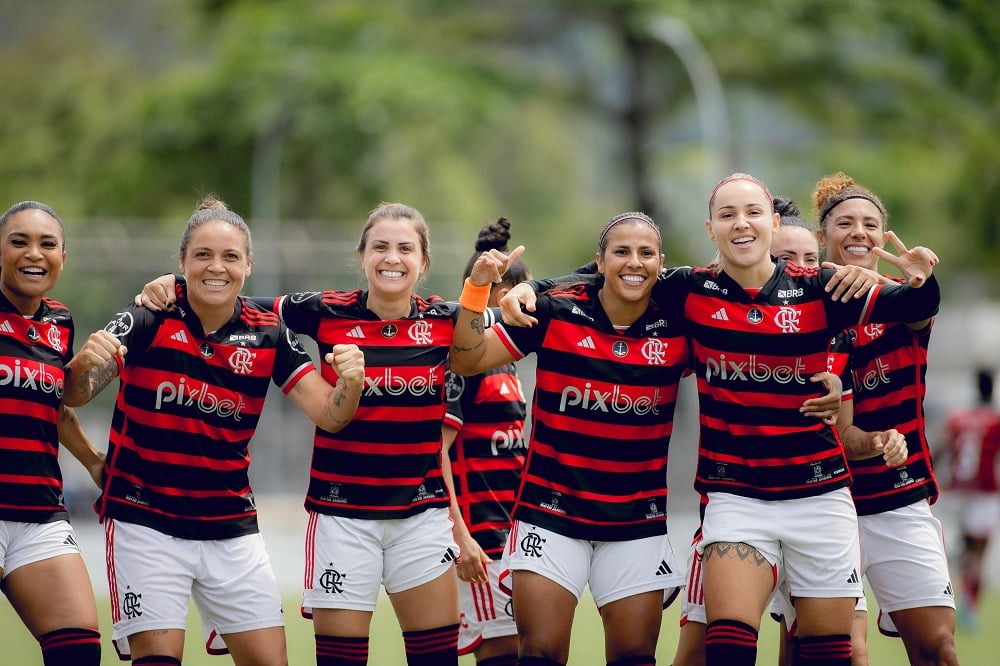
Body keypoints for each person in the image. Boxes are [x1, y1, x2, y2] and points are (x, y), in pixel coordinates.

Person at [501, 173, 941, 666]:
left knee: (830, 654)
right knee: (727, 644)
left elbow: (915, 306)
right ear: (711, 228)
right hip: (736, 497)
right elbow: (617, 269)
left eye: (753, 213)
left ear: (773, 225)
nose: (741, 224)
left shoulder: (820, 288)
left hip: (821, 496)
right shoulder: (691, 288)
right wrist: (532, 289)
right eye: (727, 215)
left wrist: (920, 278)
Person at [137, 202, 485, 665]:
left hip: (421, 517)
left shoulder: (446, 319)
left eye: (406, 248)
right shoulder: (323, 310)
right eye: (380, 246)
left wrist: (505, 298)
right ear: (362, 255)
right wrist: (173, 287)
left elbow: (486, 346)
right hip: (341, 514)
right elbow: (234, 303)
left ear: (423, 262)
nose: (392, 257)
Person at [63, 196, 365, 666]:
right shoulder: (148, 314)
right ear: (182, 262)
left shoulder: (269, 333)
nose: (215, 267)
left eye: (229, 256)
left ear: (248, 265)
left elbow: (329, 414)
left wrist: (351, 381)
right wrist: (83, 363)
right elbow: (76, 393)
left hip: (230, 528)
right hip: (145, 523)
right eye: (202, 255)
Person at [452, 211, 693, 666]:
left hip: (634, 522)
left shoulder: (680, 323)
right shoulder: (557, 311)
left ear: (661, 263)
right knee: (539, 654)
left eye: (646, 253)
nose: (633, 263)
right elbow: (467, 361)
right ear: (599, 262)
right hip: (550, 514)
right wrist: (477, 290)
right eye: (621, 252)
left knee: (634, 657)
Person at [671, 196, 880, 666]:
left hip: (818, 501)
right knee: (701, 651)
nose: (800, 269)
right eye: (789, 260)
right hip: (736, 504)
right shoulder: (707, 299)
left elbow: (845, 424)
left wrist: (841, 395)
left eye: (811, 259)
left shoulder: (833, 319)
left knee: (841, 650)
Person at [812, 172, 958, 666]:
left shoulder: (905, 299)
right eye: (845, 222)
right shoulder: (799, 307)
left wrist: (920, 280)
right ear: (820, 237)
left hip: (899, 497)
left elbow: (921, 310)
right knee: (843, 652)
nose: (859, 232)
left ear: (882, 238)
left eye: (870, 224)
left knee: (939, 648)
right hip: (822, 501)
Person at [0, 201, 105, 665]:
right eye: (18, 241)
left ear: (64, 256)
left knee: (79, 650)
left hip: (39, 512)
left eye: (47, 244)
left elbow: (56, 408)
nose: (33, 254)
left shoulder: (59, 322)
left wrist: (95, 463)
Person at [442, 217, 531, 666]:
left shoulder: (507, 361)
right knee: (499, 656)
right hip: (481, 541)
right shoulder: (465, 366)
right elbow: (438, 452)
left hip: (510, 537)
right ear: (499, 299)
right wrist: (461, 537)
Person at [938, 367, 1000, 630]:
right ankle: (969, 609)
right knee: (977, 554)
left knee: (957, 550)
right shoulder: (995, 420)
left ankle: (945, 597)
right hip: (983, 492)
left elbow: (939, 450)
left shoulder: (957, 418)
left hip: (955, 491)